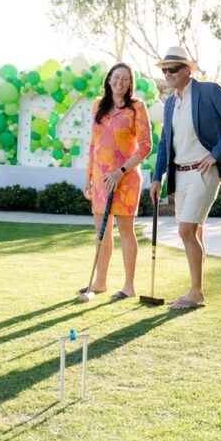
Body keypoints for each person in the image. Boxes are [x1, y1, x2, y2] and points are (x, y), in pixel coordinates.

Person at [150, 46, 221, 310]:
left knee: (185, 230)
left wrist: (215, 154)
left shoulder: (209, 91)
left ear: (187, 70)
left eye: (172, 69)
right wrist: (157, 176)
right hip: (179, 175)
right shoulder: (170, 103)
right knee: (195, 233)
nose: (167, 74)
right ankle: (197, 290)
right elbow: (164, 143)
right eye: (164, 70)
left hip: (203, 172)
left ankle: (196, 293)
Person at [81, 62, 152, 300]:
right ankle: (100, 283)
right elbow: (93, 145)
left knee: (125, 231)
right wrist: (89, 178)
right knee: (101, 232)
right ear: (109, 79)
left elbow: (145, 146)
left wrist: (120, 171)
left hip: (125, 178)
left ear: (130, 83)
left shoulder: (137, 107)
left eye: (125, 79)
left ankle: (129, 286)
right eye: (116, 77)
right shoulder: (98, 106)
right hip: (102, 179)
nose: (119, 82)